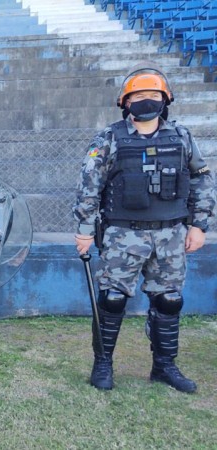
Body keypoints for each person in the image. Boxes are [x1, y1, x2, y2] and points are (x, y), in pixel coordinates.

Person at [73, 62, 215, 393]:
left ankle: (164, 366)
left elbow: (202, 178)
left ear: (165, 100)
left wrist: (199, 225)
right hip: (124, 234)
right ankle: (103, 364)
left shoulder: (181, 138)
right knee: (111, 299)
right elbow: (88, 186)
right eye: (138, 95)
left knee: (168, 301)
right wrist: (83, 230)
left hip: (171, 234)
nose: (146, 101)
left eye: (153, 95)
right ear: (125, 102)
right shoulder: (108, 139)